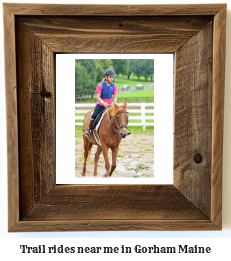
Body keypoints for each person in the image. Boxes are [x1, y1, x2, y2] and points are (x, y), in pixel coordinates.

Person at [83, 68, 118, 137]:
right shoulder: (101, 85)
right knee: (94, 115)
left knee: (118, 115)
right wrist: (104, 103)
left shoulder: (114, 86)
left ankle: (120, 129)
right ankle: (88, 129)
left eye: (112, 77)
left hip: (110, 104)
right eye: (110, 77)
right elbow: (98, 97)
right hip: (101, 104)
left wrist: (114, 103)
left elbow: (115, 96)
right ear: (106, 77)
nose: (111, 79)